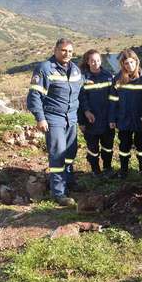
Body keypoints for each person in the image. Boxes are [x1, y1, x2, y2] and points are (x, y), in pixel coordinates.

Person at [26, 38, 82, 206]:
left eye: (70, 51)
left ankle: (69, 181)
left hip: (71, 117)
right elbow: (34, 96)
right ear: (56, 50)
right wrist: (40, 118)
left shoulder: (75, 70)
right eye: (64, 50)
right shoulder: (44, 68)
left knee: (70, 152)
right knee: (58, 153)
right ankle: (58, 193)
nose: (67, 54)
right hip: (54, 117)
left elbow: (81, 91)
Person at [109, 49, 142, 179]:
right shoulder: (118, 79)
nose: (130, 66)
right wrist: (112, 118)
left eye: (132, 62)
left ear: (136, 61)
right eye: (126, 63)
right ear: (122, 64)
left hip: (141, 120)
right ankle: (124, 169)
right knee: (124, 146)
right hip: (123, 119)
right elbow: (113, 101)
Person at [78, 49, 115, 178]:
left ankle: (107, 168)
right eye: (92, 60)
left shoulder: (108, 76)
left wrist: (113, 118)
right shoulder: (83, 78)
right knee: (93, 148)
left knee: (108, 146)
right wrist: (82, 119)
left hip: (106, 120)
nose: (95, 63)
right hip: (91, 121)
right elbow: (80, 100)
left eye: (98, 60)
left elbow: (113, 99)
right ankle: (95, 170)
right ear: (87, 62)